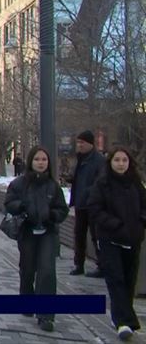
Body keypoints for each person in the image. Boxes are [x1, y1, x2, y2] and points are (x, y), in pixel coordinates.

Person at [4, 146, 69, 333]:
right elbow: (9, 203)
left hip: (48, 232)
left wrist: (53, 216)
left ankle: (46, 314)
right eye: (37, 159)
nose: (41, 163)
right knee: (28, 268)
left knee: (47, 270)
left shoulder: (53, 186)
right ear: (31, 161)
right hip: (27, 231)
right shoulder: (19, 184)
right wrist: (22, 207)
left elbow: (62, 209)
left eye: (44, 160)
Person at [87, 146, 146, 341]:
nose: (121, 164)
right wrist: (115, 224)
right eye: (117, 160)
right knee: (116, 279)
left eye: (124, 160)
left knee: (129, 281)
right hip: (110, 238)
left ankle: (120, 316)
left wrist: (139, 223)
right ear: (110, 162)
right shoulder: (102, 184)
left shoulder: (136, 183)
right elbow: (95, 209)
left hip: (132, 239)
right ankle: (124, 322)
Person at [65, 130, 105, 277]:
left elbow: (100, 182)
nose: (79, 145)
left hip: (93, 205)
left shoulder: (99, 160)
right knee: (79, 235)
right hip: (81, 204)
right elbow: (78, 178)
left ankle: (102, 266)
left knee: (96, 236)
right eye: (78, 142)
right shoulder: (80, 158)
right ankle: (79, 264)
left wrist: (88, 192)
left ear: (90, 143)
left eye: (82, 142)